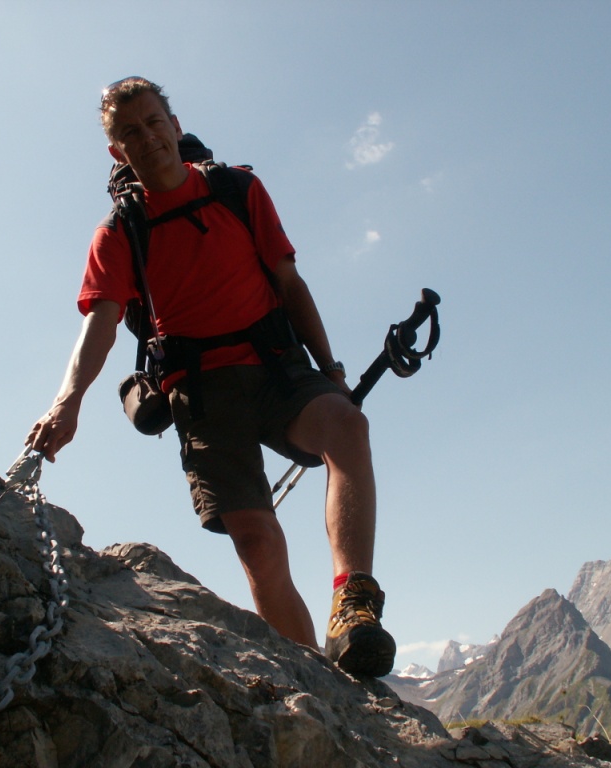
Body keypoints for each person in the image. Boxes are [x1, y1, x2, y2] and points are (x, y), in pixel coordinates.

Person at [26, 77, 395, 677]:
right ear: (117, 151)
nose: (147, 137)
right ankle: (318, 685)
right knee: (256, 544)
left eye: (153, 122)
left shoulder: (237, 189)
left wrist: (329, 369)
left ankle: (353, 605)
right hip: (199, 394)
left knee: (346, 425)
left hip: (276, 366)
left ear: (174, 125)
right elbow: (100, 323)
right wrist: (67, 403)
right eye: (130, 132)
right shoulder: (119, 232)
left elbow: (289, 284)